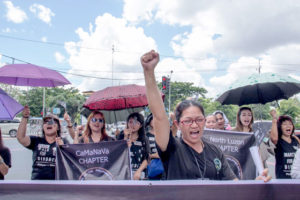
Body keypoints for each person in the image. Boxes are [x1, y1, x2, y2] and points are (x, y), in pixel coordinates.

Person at [140, 50, 270, 181]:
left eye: (199, 120)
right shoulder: (172, 148)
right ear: (178, 124)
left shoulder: (215, 151)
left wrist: (254, 183)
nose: (194, 125)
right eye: (188, 121)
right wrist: (149, 72)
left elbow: (234, 185)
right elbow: (160, 116)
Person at [17, 106, 66, 180]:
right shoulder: (36, 140)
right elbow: (21, 138)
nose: (48, 124)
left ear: (58, 127)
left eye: (52, 122)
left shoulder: (64, 142)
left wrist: (63, 148)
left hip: (57, 183)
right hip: (37, 183)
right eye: (45, 122)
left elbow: (71, 161)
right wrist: (24, 117)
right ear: (43, 127)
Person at [117, 112, 149, 180]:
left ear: (140, 125)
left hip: (139, 173)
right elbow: (117, 155)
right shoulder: (121, 136)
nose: (133, 125)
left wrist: (139, 171)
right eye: (130, 122)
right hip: (123, 173)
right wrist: (125, 138)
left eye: (136, 123)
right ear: (127, 123)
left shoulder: (144, 139)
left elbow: (147, 158)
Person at [270, 109, 300, 179]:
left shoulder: (296, 139)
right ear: (280, 127)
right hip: (282, 179)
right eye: (285, 124)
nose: (288, 126)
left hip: (296, 178)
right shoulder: (278, 141)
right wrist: (274, 119)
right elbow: (274, 138)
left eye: (290, 124)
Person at [145, 114, 164, 180]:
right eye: (152, 119)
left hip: (164, 165)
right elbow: (145, 153)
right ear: (149, 122)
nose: (155, 121)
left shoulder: (164, 135)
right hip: (152, 166)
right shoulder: (146, 136)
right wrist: (154, 155)